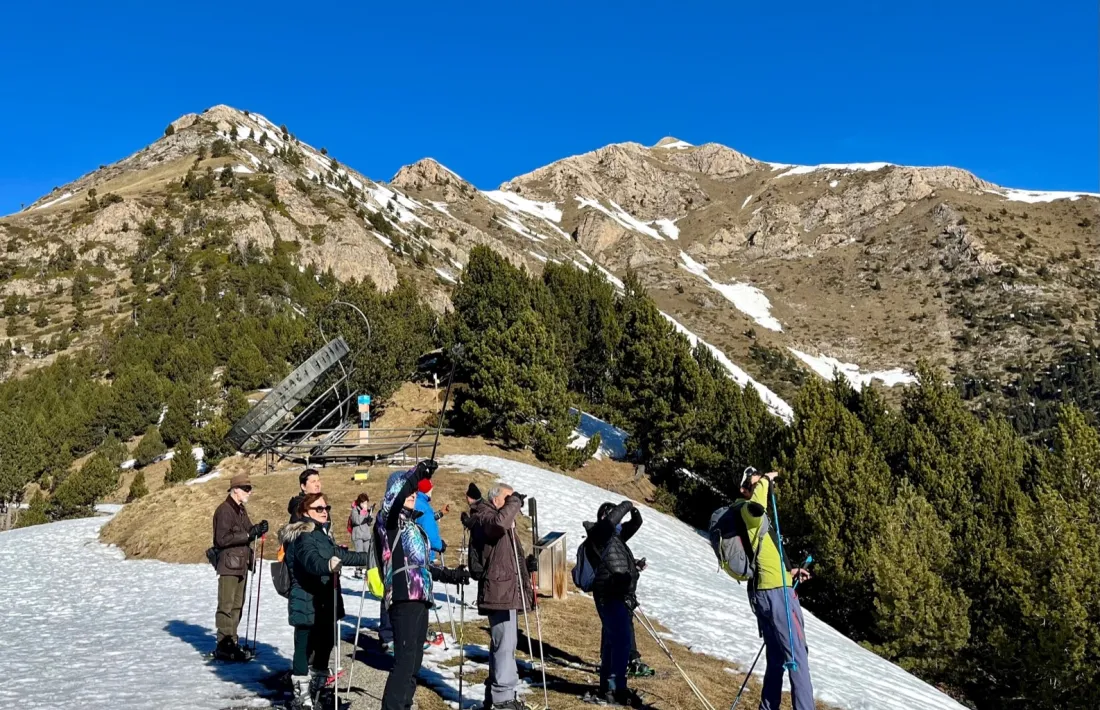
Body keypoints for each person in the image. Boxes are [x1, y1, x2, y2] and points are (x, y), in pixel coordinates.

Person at [376, 460, 470, 710]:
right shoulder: (390, 523)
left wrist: (451, 575)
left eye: (414, 492)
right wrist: (414, 475)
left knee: (415, 660)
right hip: (403, 596)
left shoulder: (414, 526)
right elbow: (394, 504)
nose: (412, 494)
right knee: (405, 660)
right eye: (407, 490)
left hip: (420, 596)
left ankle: (404, 705)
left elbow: (422, 566)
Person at [280, 492, 375, 709]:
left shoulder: (321, 534)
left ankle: (317, 689)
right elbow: (311, 559)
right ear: (305, 512)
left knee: (325, 646)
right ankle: (301, 696)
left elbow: (343, 555)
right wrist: (327, 565)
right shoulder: (302, 535)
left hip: (324, 601)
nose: (325, 512)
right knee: (304, 648)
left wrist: (372, 557)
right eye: (319, 509)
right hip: (306, 600)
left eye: (326, 508)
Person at [736, 469, 813, 710]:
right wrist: (766, 481)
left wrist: (790, 573)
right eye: (754, 484)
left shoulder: (751, 517)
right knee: (797, 657)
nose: (760, 487)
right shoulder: (748, 509)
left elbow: (763, 556)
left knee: (777, 658)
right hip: (777, 593)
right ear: (745, 489)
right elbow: (758, 505)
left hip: (768, 591)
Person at [469, 483, 536, 710]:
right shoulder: (484, 516)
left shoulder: (500, 520)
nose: (512, 504)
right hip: (499, 591)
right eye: (507, 499)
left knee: (506, 643)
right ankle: (503, 699)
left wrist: (527, 566)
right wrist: (515, 501)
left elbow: (507, 559)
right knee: (504, 644)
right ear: (496, 499)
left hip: (506, 591)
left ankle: (499, 695)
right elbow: (496, 526)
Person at [582, 500, 644, 706]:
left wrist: (634, 511)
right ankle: (617, 687)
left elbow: (636, 523)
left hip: (618, 595)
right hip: (608, 595)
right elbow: (611, 523)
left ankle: (608, 687)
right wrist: (626, 504)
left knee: (612, 642)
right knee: (621, 642)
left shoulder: (616, 537)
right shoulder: (599, 534)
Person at [211, 473, 268, 662]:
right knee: (226, 605)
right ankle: (224, 645)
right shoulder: (224, 510)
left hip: (241, 564)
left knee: (237, 605)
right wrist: (248, 535)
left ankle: (232, 642)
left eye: (249, 488)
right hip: (228, 564)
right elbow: (221, 539)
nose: (249, 492)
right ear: (235, 489)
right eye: (246, 489)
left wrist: (258, 529)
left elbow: (248, 531)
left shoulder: (240, 509)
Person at [349, 493, 374, 579]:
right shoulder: (355, 510)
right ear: (359, 503)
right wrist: (363, 513)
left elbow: (370, 523)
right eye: (363, 503)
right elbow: (356, 521)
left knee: (367, 553)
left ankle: (368, 570)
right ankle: (358, 570)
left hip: (366, 535)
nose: (365, 505)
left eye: (366, 503)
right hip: (358, 535)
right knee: (359, 553)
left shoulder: (367, 510)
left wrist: (370, 517)